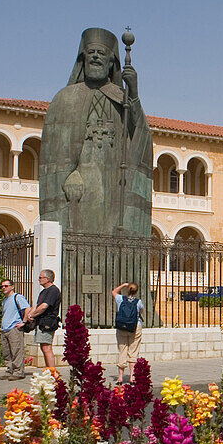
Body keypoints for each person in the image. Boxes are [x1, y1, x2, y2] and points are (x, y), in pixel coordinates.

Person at [39, 28, 153, 238]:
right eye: (91, 52)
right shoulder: (64, 98)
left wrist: (134, 94)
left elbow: (142, 138)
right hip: (77, 188)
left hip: (113, 185)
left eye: (101, 54)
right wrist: (68, 175)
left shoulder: (123, 99)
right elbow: (51, 155)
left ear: (111, 63)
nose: (95, 57)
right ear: (83, 59)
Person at [26, 269, 61, 368]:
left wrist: (33, 315)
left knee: (46, 348)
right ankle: (49, 370)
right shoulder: (44, 292)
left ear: (48, 278)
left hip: (47, 323)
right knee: (43, 347)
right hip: (41, 323)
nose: (39, 279)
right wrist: (29, 315)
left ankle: (52, 372)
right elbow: (37, 306)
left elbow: (44, 306)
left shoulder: (53, 291)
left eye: (41, 277)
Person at [112, 282, 145, 384]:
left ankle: (120, 377)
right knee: (133, 352)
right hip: (135, 327)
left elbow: (114, 291)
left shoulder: (121, 299)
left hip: (122, 327)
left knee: (122, 350)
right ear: (136, 291)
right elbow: (141, 312)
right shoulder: (138, 302)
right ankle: (132, 377)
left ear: (127, 290)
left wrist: (123, 285)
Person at [0, 279, 30, 381]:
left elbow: (27, 309)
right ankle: (9, 370)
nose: (4, 288)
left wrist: (23, 322)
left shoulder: (18, 297)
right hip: (5, 329)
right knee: (7, 352)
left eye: (6, 286)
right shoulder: (5, 301)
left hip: (14, 329)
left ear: (12, 287)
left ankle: (18, 372)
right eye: (2, 286)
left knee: (16, 350)